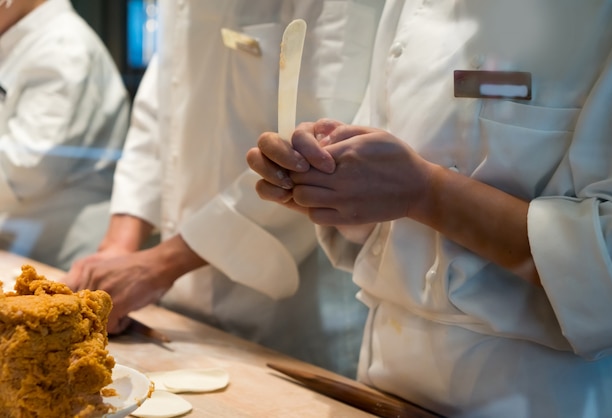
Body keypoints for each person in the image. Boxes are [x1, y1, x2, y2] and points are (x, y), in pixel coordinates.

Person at [247, 1, 612, 416]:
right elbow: (378, 211)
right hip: (383, 377)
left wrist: (427, 192)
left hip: (539, 393)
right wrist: (327, 177)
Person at [64, 0, 383, 378]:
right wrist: (120, 246)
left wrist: (162, 263)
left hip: (290, 313)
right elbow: (158, 114)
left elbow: (322, 153)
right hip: (174, 298)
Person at [0, 0, 129, 270]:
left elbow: (28, 168)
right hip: (23, 242)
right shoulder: (20, 40)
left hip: (65, 250)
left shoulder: (64, 46)